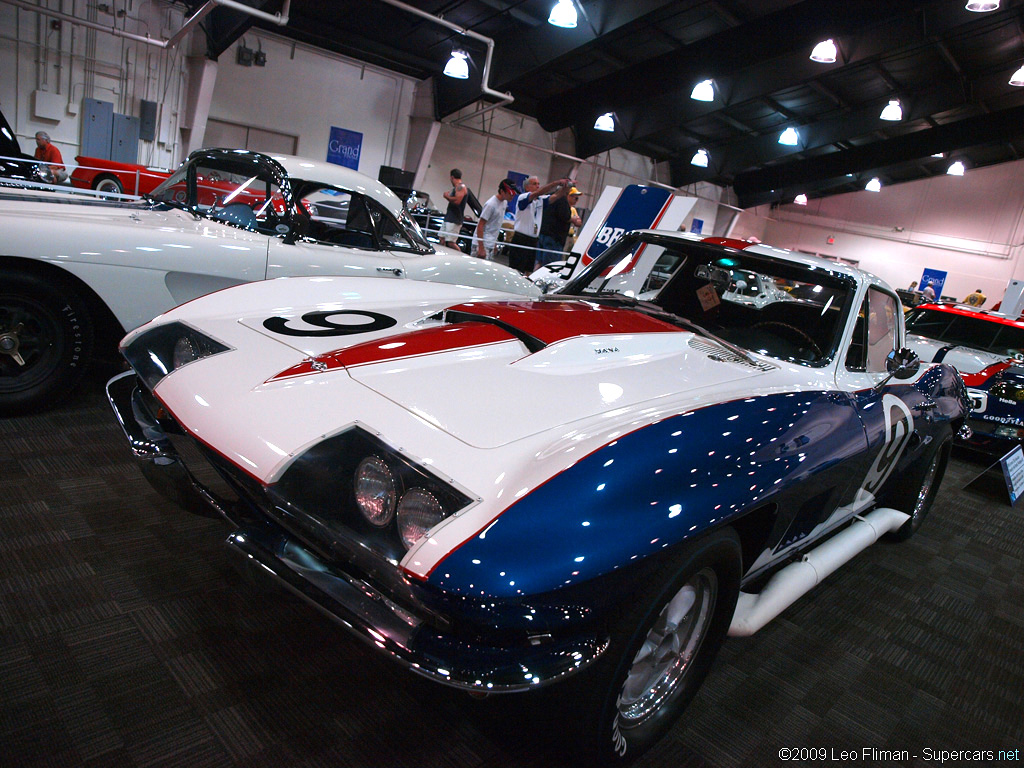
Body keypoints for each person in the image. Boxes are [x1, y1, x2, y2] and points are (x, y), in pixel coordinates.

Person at [507, 175, 569, 274]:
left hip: (533, 240)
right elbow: (539, 192)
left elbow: (556, 196)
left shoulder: (540, 200)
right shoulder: (523, 197)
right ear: (527, 187)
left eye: (538, 184)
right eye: (534, 184)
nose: (538, 186)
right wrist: (556, 183)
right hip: (521, 239)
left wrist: (567, 187)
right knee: (516, 270)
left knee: (529, 270)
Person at [536, 184, 583, 268]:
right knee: (550, 266)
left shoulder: (550, 197)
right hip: (554, 238)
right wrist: (573, 219)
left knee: (539, 262)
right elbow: (565, 216)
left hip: (544, 234)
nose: (576, 201)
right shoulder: (562, 200)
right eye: (575, 198)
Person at [474, 178, 518, 261]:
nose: (512, 196)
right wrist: (480, 247)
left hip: (490, 243)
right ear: (502, 191)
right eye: (510, 194)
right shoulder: (491, 204)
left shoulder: (504, 203)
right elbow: (480, 225)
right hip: (482, 244)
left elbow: (495, 225)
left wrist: (494, 243)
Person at [441, 168, 467, 248]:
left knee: (451, 242)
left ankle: (459, 258)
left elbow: (457, 201)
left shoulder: (461, 187)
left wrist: (447, 197)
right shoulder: (455, 188)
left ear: (452, 177)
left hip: (454, 219)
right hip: (449, 217)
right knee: (442, 239)